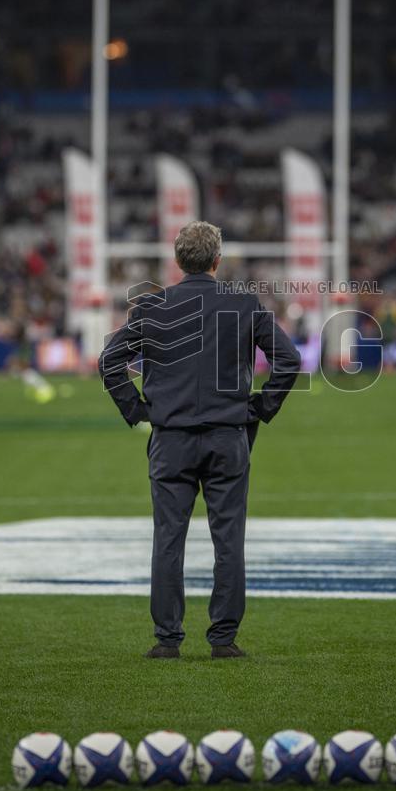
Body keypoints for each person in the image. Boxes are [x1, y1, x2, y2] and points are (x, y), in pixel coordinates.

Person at [98, 221, 301, 659]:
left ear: (177, 262)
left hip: (171, 440)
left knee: (168, 539)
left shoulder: (151, 307)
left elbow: (109, 362)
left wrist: (139, 412)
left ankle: (167, 640)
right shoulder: (244, 305)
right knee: (229, 539)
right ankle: (223, 639)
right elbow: (289, 360)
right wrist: (261, 409)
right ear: (217, 260)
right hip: (228, 437)